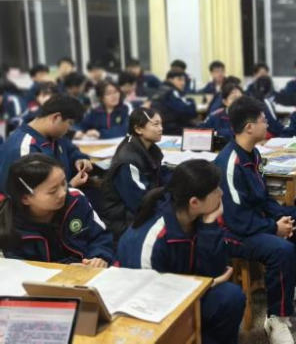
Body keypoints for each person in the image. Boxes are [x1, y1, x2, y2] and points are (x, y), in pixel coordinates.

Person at [214, 96, 296, 344]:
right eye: (264, 120)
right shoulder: (230, 164)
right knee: (281, 250)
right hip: (232, 233)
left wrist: (279, 217)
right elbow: (236, 220)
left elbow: (263, 197)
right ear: (249, 127)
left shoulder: (253, 153)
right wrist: (274, 228)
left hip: (252, 219)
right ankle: (276, 317)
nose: (268, 124)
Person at [116, 160, 245, 344]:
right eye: (215, 190)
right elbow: (148, 301)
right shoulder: (152, 239)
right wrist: (206, 285)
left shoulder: (198, 216)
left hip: (184, 290)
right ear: (194, 202)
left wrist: (209, 226)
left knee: (232, 297)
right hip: (149, 309)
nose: (221, 193)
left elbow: (215, 269)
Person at [0, 154, 112, 265]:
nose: (63, 193)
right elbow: (17, 270)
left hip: (86, 271)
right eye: (53, 191)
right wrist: (66, 268)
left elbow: (100, 237)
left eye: (64, 183)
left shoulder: (76, 200)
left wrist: (98, 257)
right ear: (25, 198)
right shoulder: (8, 227)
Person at [99, 107, 169, 241]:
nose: (161, 128)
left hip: (137, 214)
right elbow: (141, 204)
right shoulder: (128, 161)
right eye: (155, 124)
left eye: (161, 124)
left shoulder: (150, 150)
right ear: (138, 129)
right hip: (125, 224)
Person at [0, 95, 91, 192]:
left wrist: (79, 159)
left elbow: (72, 151)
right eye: (70, 123)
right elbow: (29, 195)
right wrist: (71, 186)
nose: (69, 129)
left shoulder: (55, 135)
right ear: (56, 117)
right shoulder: (25, 148)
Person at [150, 70, 198, 135]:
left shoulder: (161, 89)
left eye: (184, 80)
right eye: (179, 80)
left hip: (163, 127)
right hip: (172, 129)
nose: (183, 83)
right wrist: (192, 103)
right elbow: (186, 111)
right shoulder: (172, 92)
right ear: (170, 80)